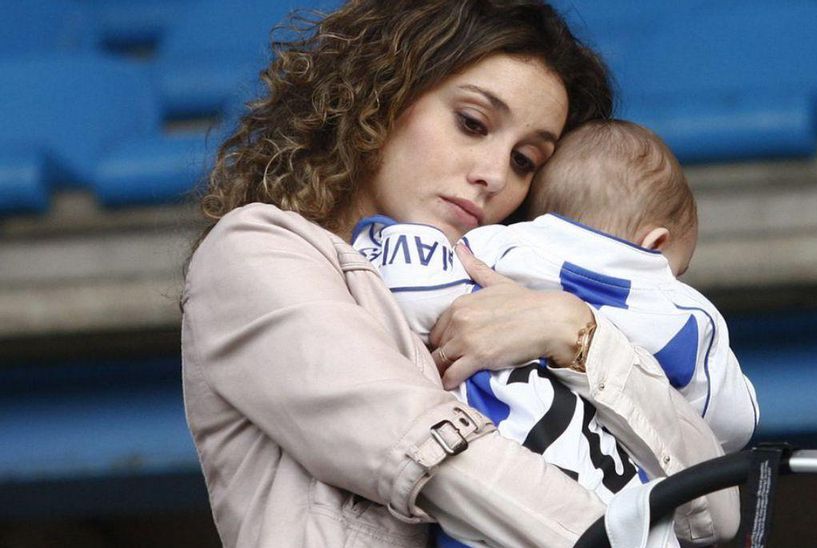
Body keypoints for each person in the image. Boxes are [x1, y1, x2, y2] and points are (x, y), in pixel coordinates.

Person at [181, 1, 737, 546]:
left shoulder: (527, 302)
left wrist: (578, 336)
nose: (495, 175)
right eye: (473, 123)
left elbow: (716, 510)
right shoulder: (256, 251)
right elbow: (432, 455)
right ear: (381, 97)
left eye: (526, 161)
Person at [350, 120, 760, 521]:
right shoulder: (679, 309)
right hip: (598, 498)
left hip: (478, 467)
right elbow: (730, 421)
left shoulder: (494, 244)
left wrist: (374, 243)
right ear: (655, 244)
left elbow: (414, 287)